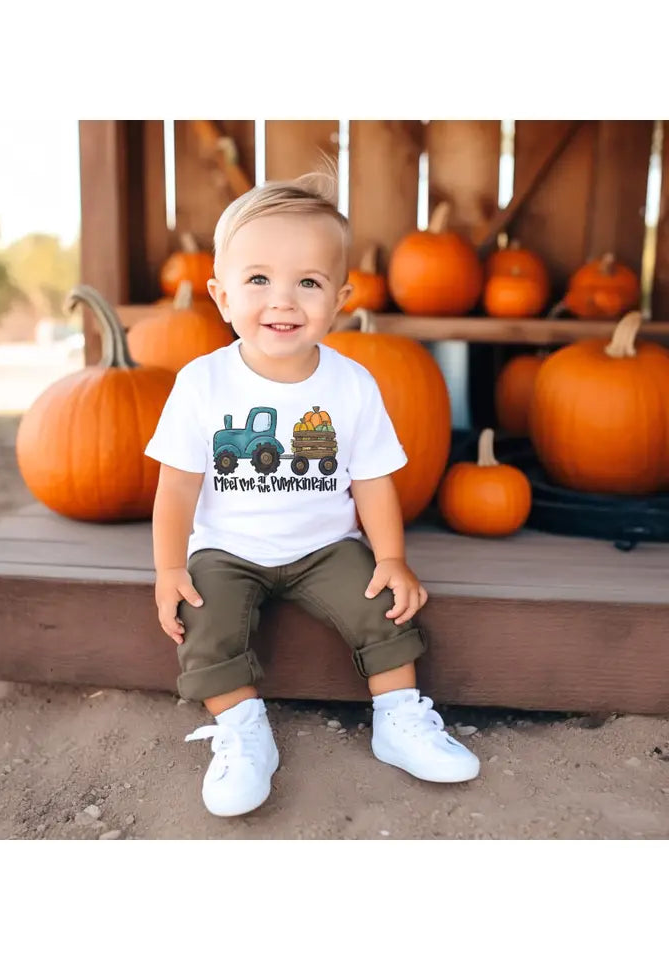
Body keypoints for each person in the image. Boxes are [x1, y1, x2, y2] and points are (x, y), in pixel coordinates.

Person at [145, 172, 480, 818]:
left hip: (327, 546)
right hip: (227, 548)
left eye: (309, 282)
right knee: (202, 615)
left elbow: (371, 479)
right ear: (220, 295)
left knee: (382, 604)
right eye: (259, 280)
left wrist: (389, 556)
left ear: (341, 297)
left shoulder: (352, 384)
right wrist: (168, 568)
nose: (284, 301)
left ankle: (398, 719)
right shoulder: (201, 383)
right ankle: (244, 733)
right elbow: (177, 485)